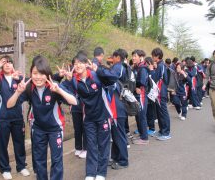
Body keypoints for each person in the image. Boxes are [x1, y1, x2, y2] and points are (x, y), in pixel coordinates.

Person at [7, 55, 77, 180]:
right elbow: (9, 105)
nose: (38, 77)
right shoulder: (28, 87)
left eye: (41, 73)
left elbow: (74, 102)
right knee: (39, 160)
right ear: (31, 74)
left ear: (47, 74)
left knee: (56, 160)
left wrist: (59, 91)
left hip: (55, 128)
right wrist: (18, 92)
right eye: (35, 73)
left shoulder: (54, 86)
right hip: (38, 128)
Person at [63, 52, 112, 180]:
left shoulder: (96, 75)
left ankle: (101, 173)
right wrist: (67, 80)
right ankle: (90, 173)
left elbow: (113, 79)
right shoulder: (74, 80)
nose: (77, 65)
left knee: (103, 145)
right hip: (89, 118)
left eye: (80, 62)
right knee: (91, 145)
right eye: (75, 63)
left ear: (86, 64)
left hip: (103, 115)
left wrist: (99, 70)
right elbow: (65, 93)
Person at [0, 56, 30, 180]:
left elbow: (28, 87)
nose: (7, 64)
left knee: (19, 143)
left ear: (13, 65)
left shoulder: (18, 78)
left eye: (10, 62)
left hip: (17, 117)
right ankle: (5, 169)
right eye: (4, 63)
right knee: (2, 144)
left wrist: (20, 78)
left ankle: (21, 166)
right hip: (2, 118)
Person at [94, 49, 129, 170]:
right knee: (115, 134)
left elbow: (112, 75)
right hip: (114, 107)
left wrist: (98, 70)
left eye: (113, 57)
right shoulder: (118, 67)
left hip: (117, 108)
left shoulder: (118, 67)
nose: (111, 60)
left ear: (118, 57)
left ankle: (123, 161)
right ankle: (115, 157)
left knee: (119, 135)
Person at [150, 48, 171, 141]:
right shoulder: (160, 65)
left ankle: (166, 133)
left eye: (153, 55)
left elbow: (155, 78)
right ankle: (162, 130)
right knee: (159, 113)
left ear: (157, 56)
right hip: (159, 92)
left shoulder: (160, 65)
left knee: (163, 113)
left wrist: (151, 70)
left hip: (160, 93)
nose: (152, 57)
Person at [131, 50, 149, 145]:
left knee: (141, 116)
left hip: (141, 95)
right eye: (132, 56)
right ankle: (142, 134)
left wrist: (137, 86)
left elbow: (141, 81)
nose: (133, 58)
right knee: (138, 116)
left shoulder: (142, 68)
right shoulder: (136, 67)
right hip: (136, 95)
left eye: (135, 56)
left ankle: (145, 138)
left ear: (141, 57)